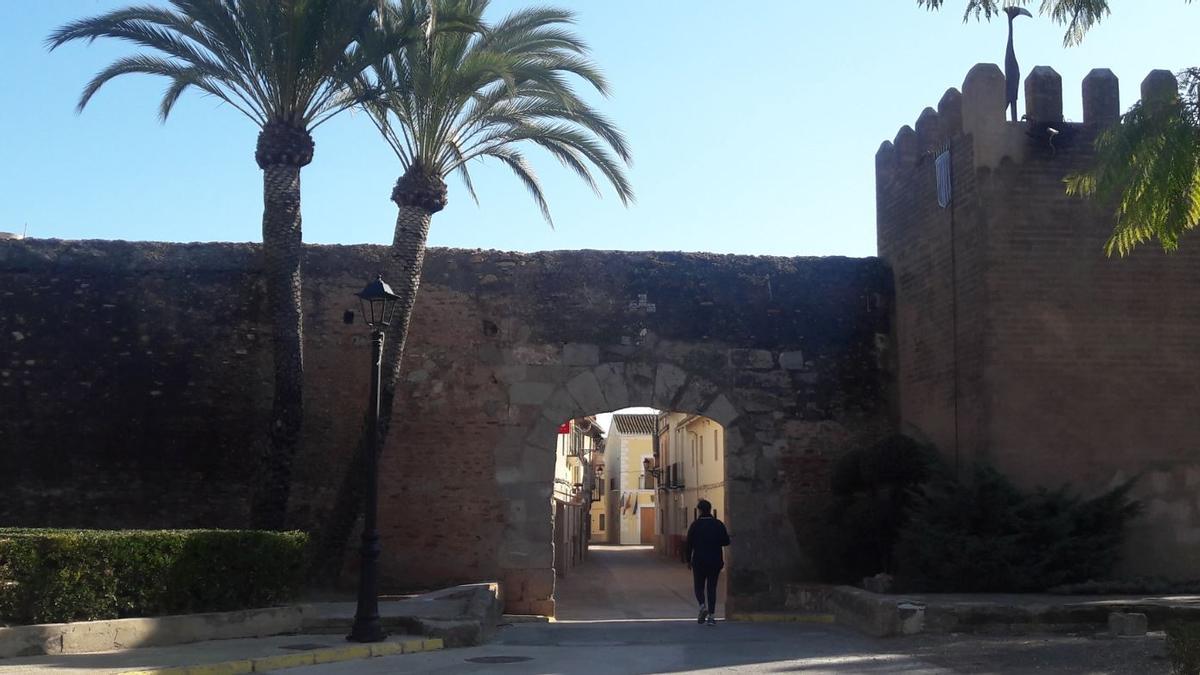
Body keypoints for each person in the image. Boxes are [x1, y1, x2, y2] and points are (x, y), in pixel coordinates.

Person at [685, 499, 730, 626]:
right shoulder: (718, 524)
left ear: (699, 510)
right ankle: (711, 616)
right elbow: (726, 542)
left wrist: (688, 560)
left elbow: (689, 545)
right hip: (715, 561)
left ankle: (702, 607)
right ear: (710, 509)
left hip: (699, 561)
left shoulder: (695, 525)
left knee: (699, 587)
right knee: (712, 588)